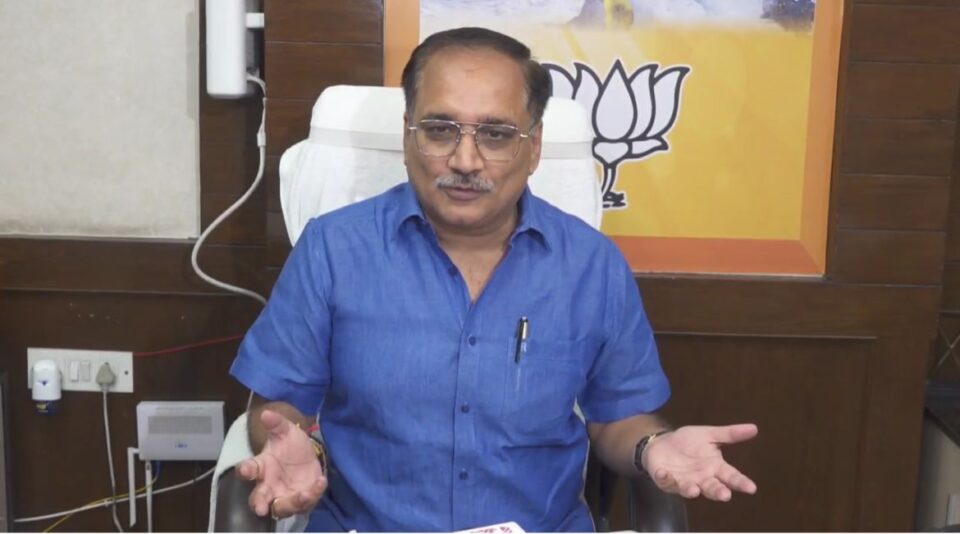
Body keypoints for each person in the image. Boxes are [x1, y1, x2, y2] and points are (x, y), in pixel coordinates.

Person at [229, 26, 758, 532]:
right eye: (440, 130)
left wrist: (652, 447)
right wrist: (293, 444)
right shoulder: (333, 249)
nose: (465, 160)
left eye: (496, 134)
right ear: (408, 135)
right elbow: (277, 403)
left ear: (534, 146)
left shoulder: (590, 265)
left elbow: (618, 418)